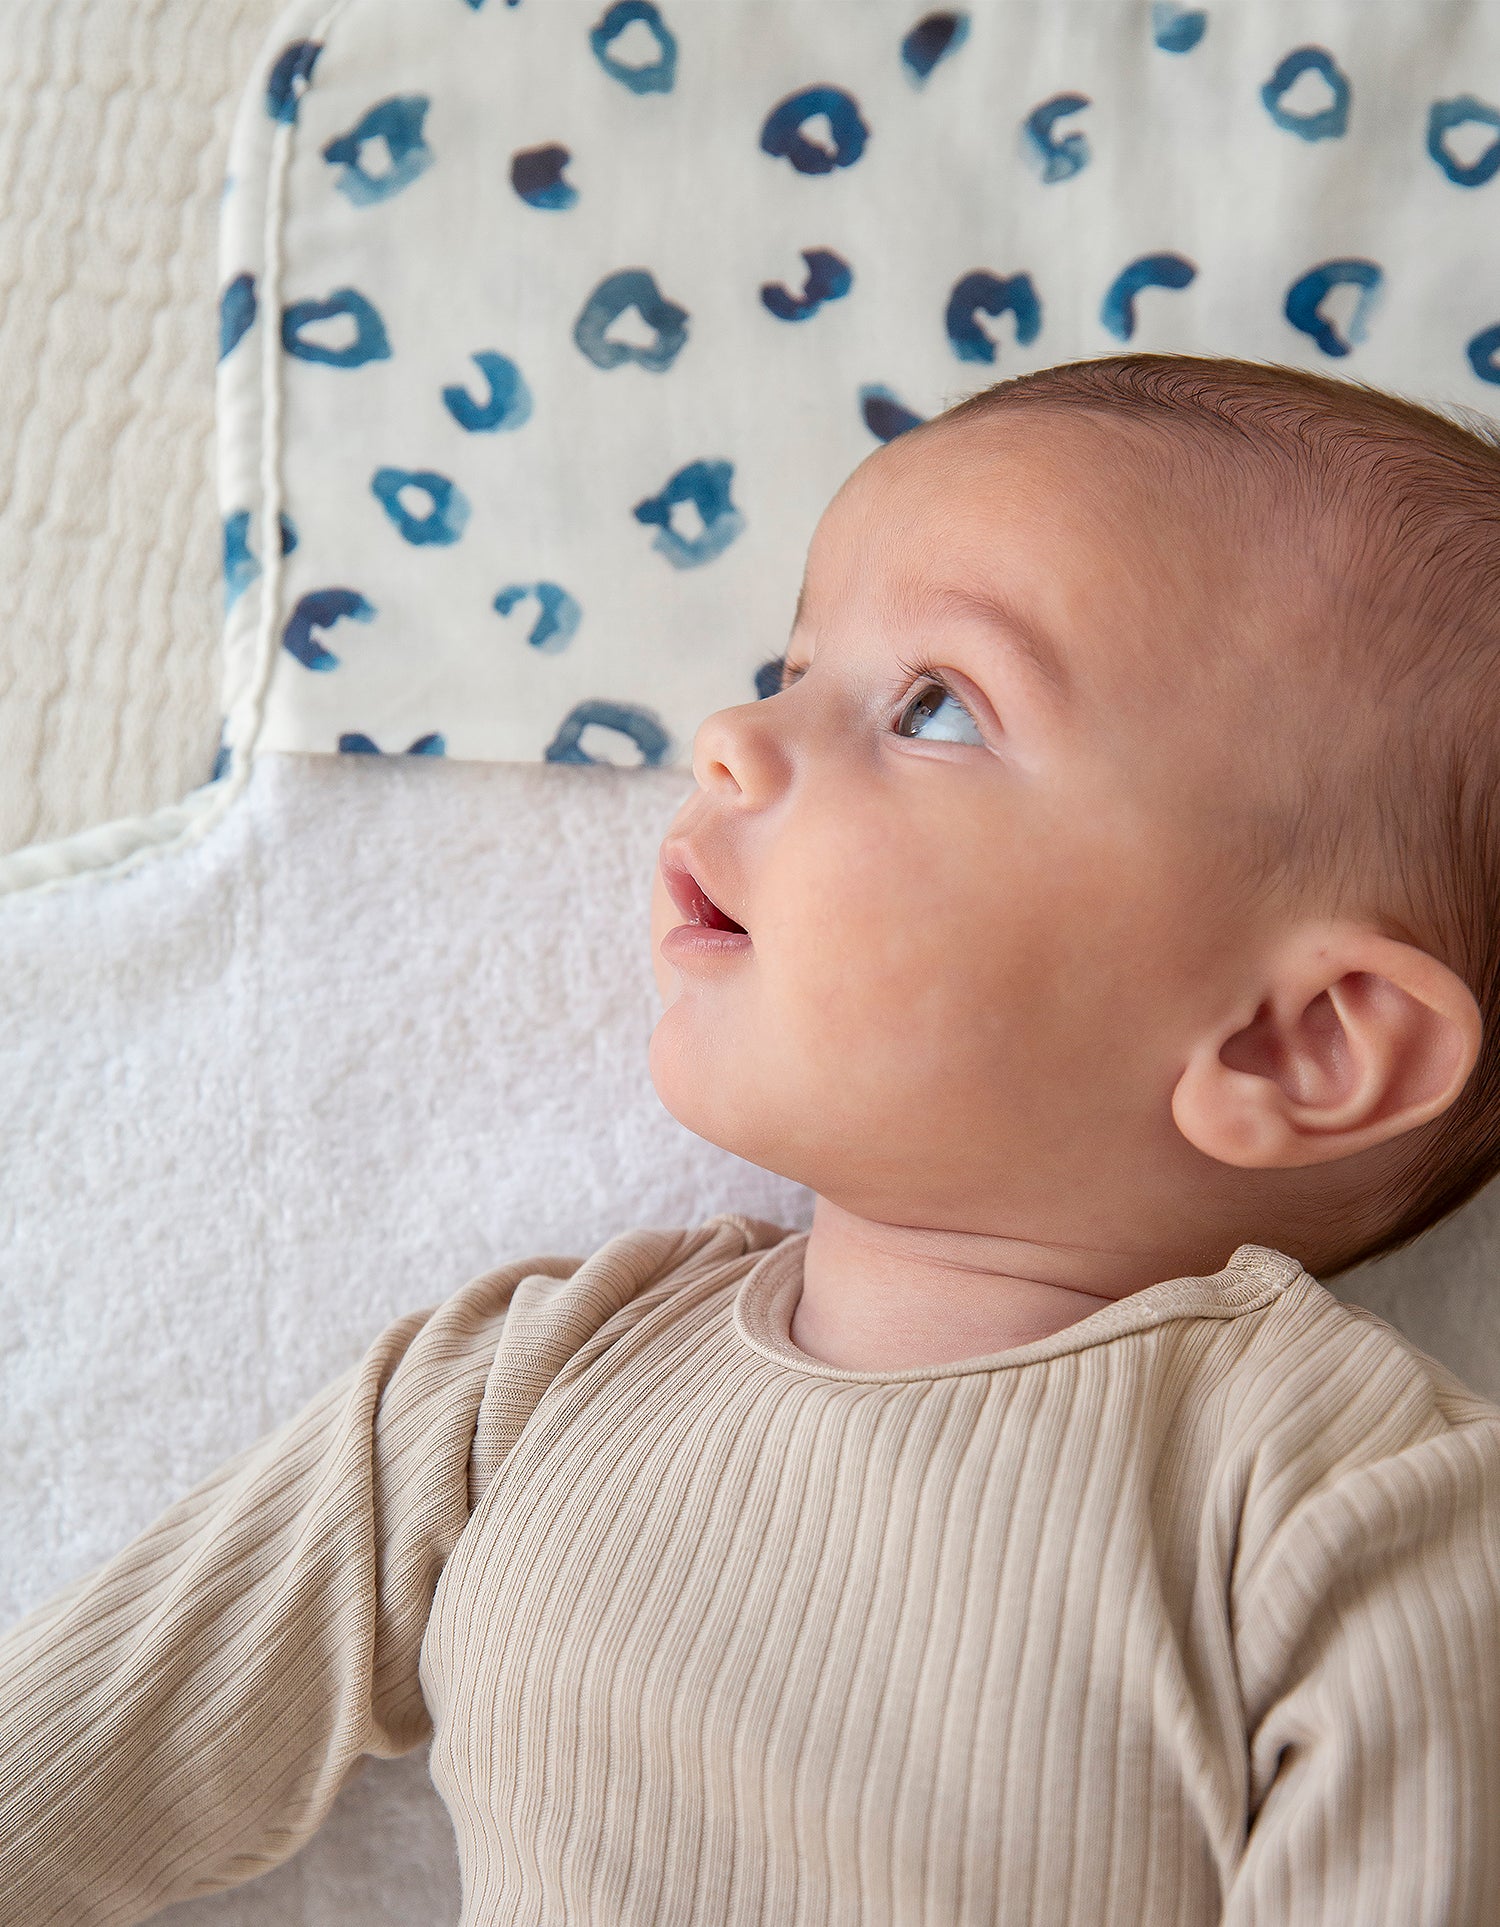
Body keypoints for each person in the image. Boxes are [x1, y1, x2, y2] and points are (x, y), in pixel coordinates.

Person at [3, 354, 1499, 1925]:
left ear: (1298, 1042)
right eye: (789, 669)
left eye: (934, 708)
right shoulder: (521, 1389)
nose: (728, 735)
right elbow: (71, 1774)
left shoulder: (1357, 1517)